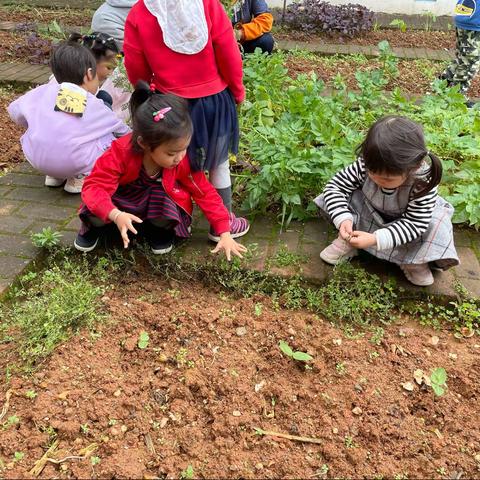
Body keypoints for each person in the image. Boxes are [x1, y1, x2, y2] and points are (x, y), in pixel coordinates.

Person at [74, 83, 248, 261]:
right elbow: (94, 187)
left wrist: (224, 231)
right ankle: (97, 228)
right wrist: (115, 214)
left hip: (152, 204)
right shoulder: (120, 151)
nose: (180, 157)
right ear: (144, 144)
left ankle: (156, 232)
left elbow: (204, 192)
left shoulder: (182, 161)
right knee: (93, 206)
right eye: (171, 153)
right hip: (121, 201)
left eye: (184, 149)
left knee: (165, 201)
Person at [123, 0, 250, 243]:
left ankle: (174, 218)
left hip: (170, 104)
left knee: (171, 161)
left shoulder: (140, 11)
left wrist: (145, 93)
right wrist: (237, 90)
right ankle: (222, 222)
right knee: (218, 161)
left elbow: (135, 62)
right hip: (214, 100)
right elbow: (228, 51)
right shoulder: (208, 4)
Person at [314, 116, 459, 287]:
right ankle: (349, 240)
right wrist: (343, 219)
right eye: (371, 173)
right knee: (345, 196)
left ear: (413, 167)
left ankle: (413, 259)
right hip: (372, 212)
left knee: (437, 223)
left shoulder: (422, 183)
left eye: (386, 179)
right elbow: (335, 187)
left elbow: (415, 224)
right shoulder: (366, 165)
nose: (375, 180)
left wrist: (376, 239)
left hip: (409, 227)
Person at [8, 41, 129, 193]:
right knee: (109, 139)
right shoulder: (92, 103)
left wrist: (36, 123)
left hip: (37, 158)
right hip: (74, 162)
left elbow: (14, 111)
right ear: (89, 75)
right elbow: (119, 128)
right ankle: (80, 176)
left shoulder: (42, 92)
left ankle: (53, 176)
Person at [440, 0, 480, 106]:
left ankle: (442, 82)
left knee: (463, 58)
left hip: (467, 15)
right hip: (474, 20)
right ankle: (456, 96)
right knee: (470, 61)